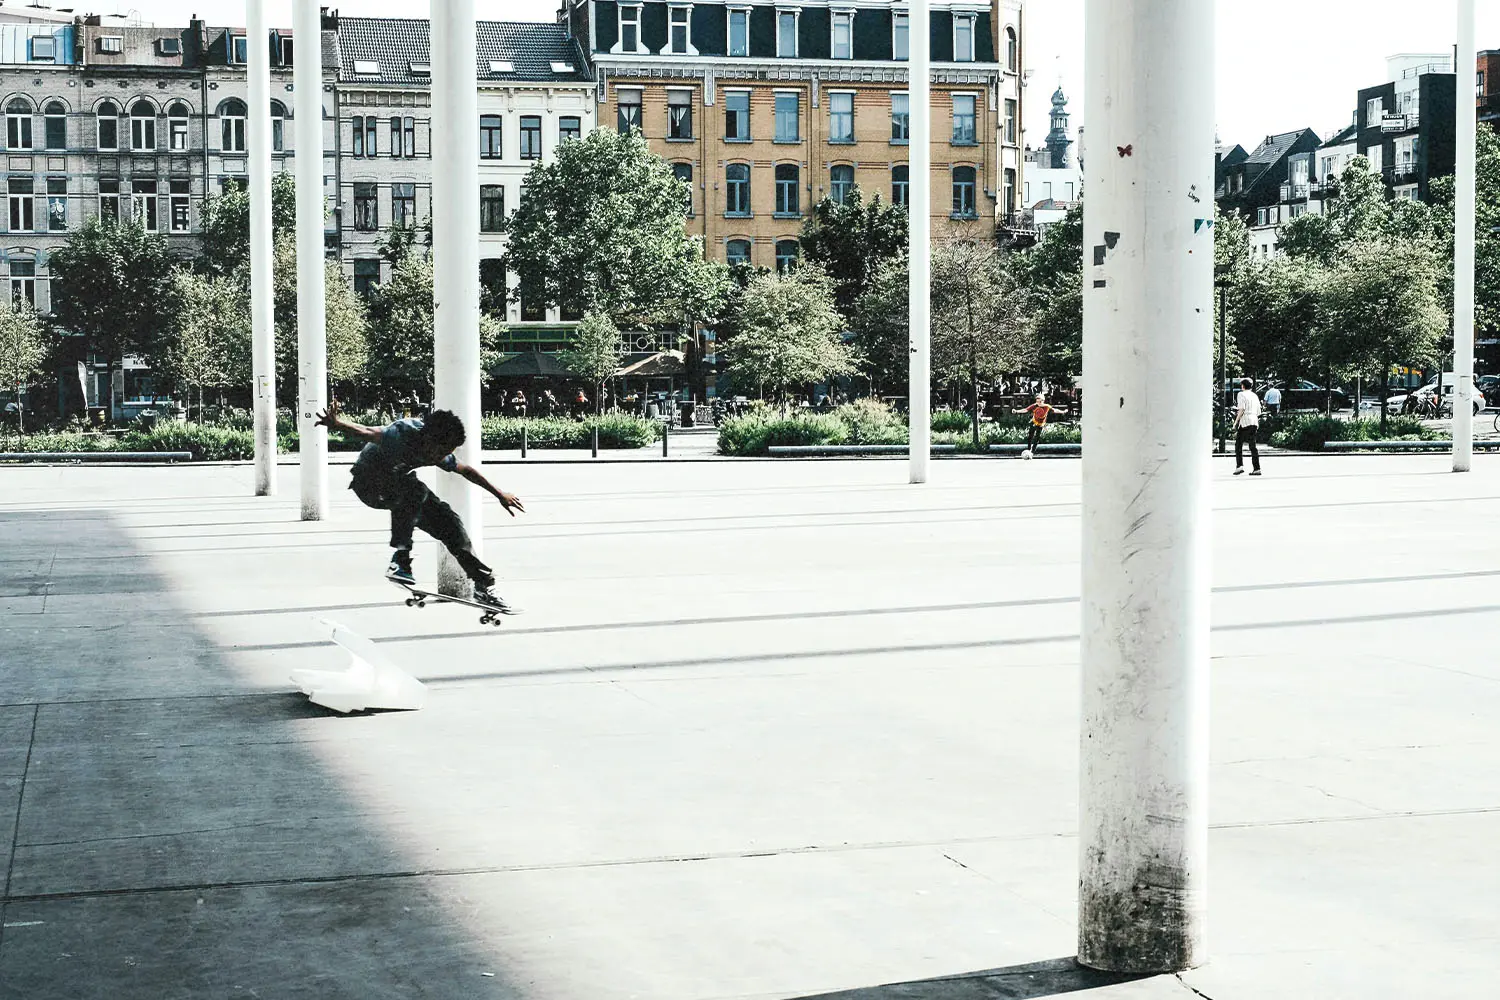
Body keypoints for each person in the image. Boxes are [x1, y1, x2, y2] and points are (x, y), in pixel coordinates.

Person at [316, 400, 526, 608]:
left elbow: (466, 470)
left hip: (401, 490)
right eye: (441, 451)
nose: (442, 457)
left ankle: (483, 585)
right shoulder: (401, 434)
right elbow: (368, 432)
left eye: (447, 452)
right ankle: (401, 558)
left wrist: (499, 494)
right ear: (428, 439)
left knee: (449, 522)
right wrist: (338, 424)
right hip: (368, 485)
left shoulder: (437, 450)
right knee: (416, 489)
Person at [1233, 377, 1262, 476]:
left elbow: (1242, 409)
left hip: (1245, 421)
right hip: (1254, 421)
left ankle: (1239, 466)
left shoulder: (1241, 394)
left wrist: (1236, 422)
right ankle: (1257, 468)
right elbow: (1259, 411)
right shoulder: (1255, 395)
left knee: (1238, 444)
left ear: (1243, 386)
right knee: (1252, 446)